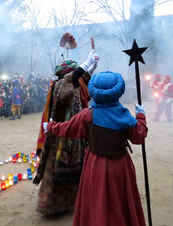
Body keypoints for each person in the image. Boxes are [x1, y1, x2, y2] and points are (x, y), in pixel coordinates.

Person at [45, 71, 147, 226]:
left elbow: (67, 128)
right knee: (119, 201)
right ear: (118, 91)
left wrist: (50, 126)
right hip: (120, 166)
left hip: (95, 165)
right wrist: (140, 116)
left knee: (97, 200)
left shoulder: (87, 115)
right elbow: (139, 136)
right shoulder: (125, 115)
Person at [33, 50, 99, 216]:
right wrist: (85, 64)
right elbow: (71, 82)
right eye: (74, 71)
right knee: (57, 172)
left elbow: (81, 82)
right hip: (60, 137)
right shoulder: (60, 85)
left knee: (75, 171)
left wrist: (91, 68)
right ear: (65, 74)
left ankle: (70, 203)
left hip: (74, 137)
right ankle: (51, 207)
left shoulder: (73, 85)